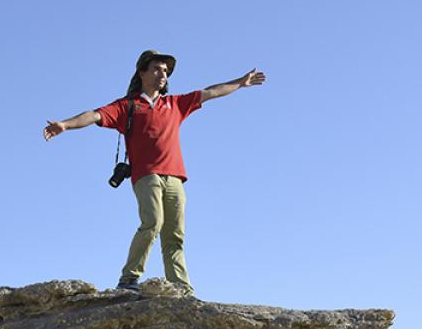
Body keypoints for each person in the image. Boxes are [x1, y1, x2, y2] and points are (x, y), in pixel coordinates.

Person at [43, 50, 265, 293]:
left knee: (175, 235)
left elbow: (211, 92)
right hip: (147, 175)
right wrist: (65, 124)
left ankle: (181, 287)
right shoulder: (127, 106)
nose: (163, 74)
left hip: (176, 177)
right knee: (152, 222)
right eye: (157, 69)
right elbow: (93, 115)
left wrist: (240, 82)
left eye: (166, 71)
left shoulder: (175, 104)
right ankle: (129, 279)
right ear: (142, 73)